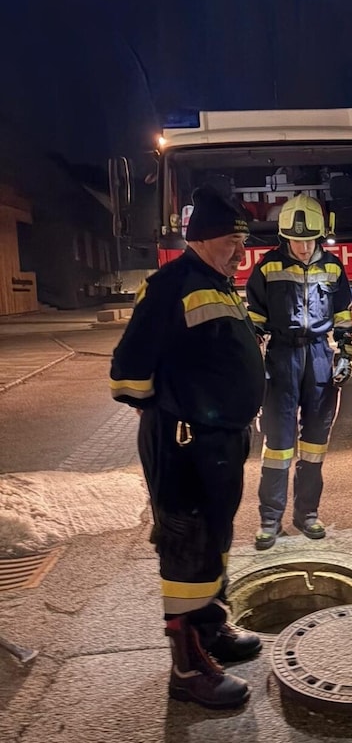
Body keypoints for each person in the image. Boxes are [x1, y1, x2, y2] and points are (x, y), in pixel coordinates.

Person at [109, 186, 265, 709]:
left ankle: (211, 628)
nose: (241, 251)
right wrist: (167, 409)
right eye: (232, 241)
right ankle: (188, 667)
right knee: (186, 546)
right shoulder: (170, 285)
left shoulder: (217, 283)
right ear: (202, 239)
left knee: (213, 537)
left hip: (216, 442)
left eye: (242, 241)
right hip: (184, 443)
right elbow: (129, 371)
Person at [246, 193, 352, 550]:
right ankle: (270, 519)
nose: (304, 247)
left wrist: (346, 353)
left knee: (314, 446)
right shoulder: (267, 268)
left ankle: (306, 514)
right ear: (284, 238)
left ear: (319, 237)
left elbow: (342, 315)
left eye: (309, 239)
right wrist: (250, 358)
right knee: (277, 443)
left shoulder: (334, 268)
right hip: (281, 357)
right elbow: (256, 321)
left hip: (319, 357)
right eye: (296, 240)